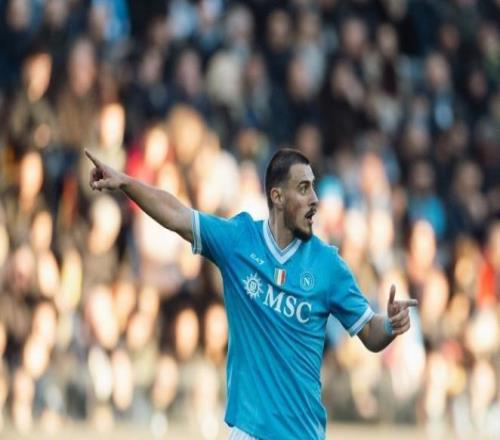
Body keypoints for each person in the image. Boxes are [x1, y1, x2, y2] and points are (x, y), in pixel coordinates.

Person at [85, 147, 418, 440]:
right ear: (277, 196)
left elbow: (369, 332)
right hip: (249, 431)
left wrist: (390, 324)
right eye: (304, 188)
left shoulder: (328, 265)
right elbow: (177, 215)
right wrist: (126, 183)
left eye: (314, 187)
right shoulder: (238, 241)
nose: (315, 199)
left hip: (302, 434)